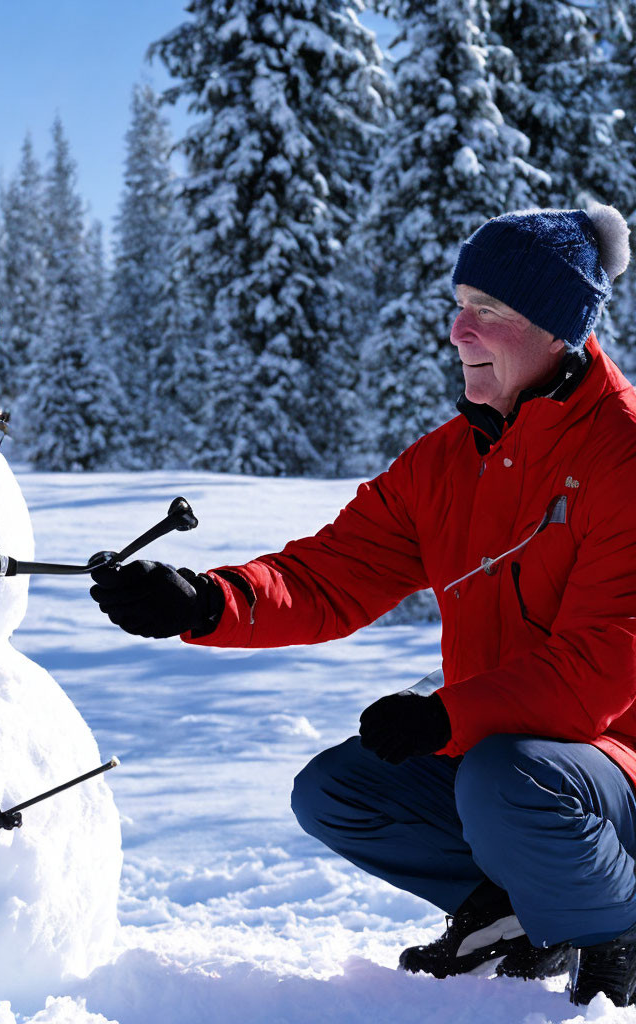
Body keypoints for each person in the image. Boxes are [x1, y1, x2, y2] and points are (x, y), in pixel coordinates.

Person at [89, 205, 636, 1007]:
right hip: (505, 756)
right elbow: (330, 575)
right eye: (459, 305)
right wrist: (205, 602)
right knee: (339, 790)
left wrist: (448, 717)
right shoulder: (450, 463)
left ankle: (613, 928)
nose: (458, 331)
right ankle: (517, 912)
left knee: (501, 778)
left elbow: (604, 664)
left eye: (489, 312)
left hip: (605, 766)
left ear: (556, 328)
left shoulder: (621, 455)